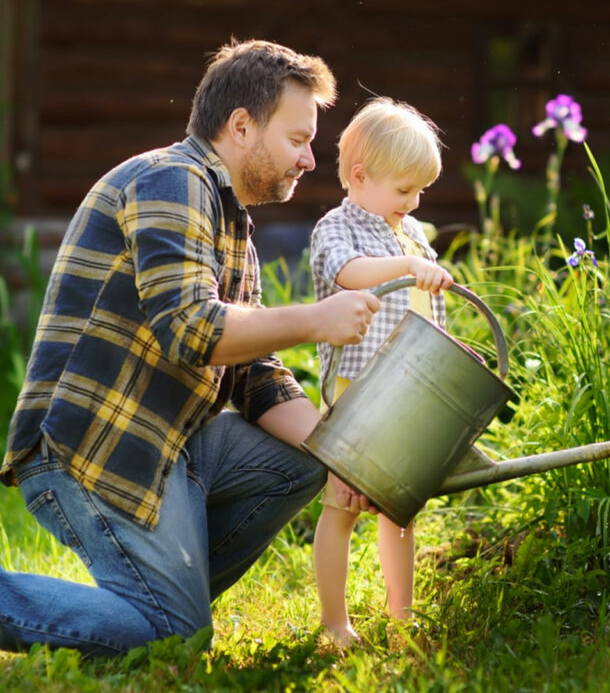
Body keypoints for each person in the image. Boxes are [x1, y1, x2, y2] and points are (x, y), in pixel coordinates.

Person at [0, 39, 382, 657]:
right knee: (176, 639)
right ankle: (161, 619)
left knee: (305, 459)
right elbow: (191, 328)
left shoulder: (233, 224)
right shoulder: (171, 181)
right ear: (240, 126)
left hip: (168, 442)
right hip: (91, 445)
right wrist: (315, 320)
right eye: (297, 139)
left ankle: (152, 608)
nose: (310, 160)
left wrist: (343, 459)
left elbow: (253, 371)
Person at [309, 97, 454, 645]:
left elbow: (423, 310)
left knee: (400, 511)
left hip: (408, 394)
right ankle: (334, 623)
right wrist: (411, 266)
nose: (413, 202)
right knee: (342, 507)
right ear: (361, 176)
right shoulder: (336, 228)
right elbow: (348, 275)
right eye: (404, 190)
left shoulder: (410, 232)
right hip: (356, 395)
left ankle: (401, 615)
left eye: (420, 192)